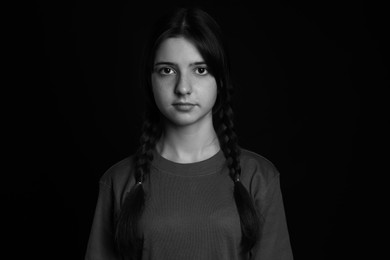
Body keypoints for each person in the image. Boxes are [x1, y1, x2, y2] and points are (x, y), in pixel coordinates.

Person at [85, 7, 293, 260]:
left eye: (200, 70)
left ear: (221, 79)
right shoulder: (118, 181)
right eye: (167, 70)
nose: (183, 87)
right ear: (149, 80)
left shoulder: (258, 177)